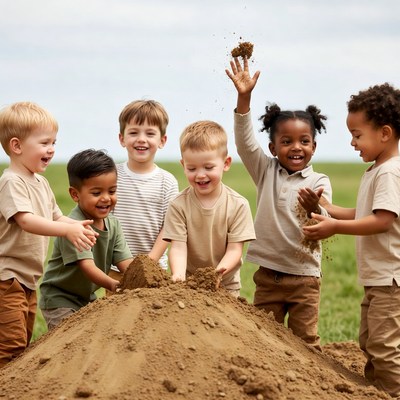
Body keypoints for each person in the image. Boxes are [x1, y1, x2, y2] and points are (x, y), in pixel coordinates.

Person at [225, 57, 332, 350]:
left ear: (313, 146)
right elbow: (245, 142)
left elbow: (325, 221)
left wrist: (315, 208)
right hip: (268, 276)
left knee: (305, 341)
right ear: (273, 148)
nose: (296, 147)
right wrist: (243, 98)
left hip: (305, 279)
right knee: (264, 341)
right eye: (286, 141)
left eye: (304, 141)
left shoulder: (319, 181)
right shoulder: (266, 171)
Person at [303, 83, 400, 397]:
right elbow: (365, 210)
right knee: (370, 339)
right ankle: (375, 388)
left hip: (391, 280)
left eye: (358, 134)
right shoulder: (376, 170)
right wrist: (330, 209)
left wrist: (334, 227)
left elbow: (382, 220)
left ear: (384, 133)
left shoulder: (390, 172)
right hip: (378, 279)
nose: (352, 142)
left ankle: (391, 390)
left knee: (385, 345)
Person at [0, 102, 97, 368]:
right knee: (10, 347)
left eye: (54, 142)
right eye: (44, 143)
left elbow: (55, 215)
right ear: (17, 146)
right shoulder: (11, 182)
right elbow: (27, 221)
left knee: (23, 343)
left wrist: (78, 226)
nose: (51, 149)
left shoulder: (40, 182)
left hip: (28, 280)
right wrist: (67, 230)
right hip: (7, 280)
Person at [39, 149, 133, 330]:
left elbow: (125, 261)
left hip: (86, 297)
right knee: (67, 339)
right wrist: (113, 284)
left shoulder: (113, 224)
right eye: (97, 193)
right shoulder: (73, 227)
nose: (106, 198)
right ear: (75, 195)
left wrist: (141, 278)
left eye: (112, 191)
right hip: (60, 298)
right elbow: (87, 267)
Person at [163, 120, 256, 297]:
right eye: (192, 168)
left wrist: (217, 274)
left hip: (226, 285)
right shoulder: (178, 205)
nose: (200, 174)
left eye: (208, 167)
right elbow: (178, 247)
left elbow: (235, 250)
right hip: (188, 284)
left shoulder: (238, 205)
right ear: (183, 165)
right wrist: (178, 276)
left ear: (226, 163)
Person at [111, 100, 179, 283]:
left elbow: (169, 226)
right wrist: (123, 262)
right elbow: (105, 221)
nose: (141, 139)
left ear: (162, 140)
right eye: (133, 132)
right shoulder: (112, 175)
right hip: (116, 269)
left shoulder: (167, 182)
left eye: (150, 133)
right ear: (122, 139)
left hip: (155, 270)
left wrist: (149, 263)